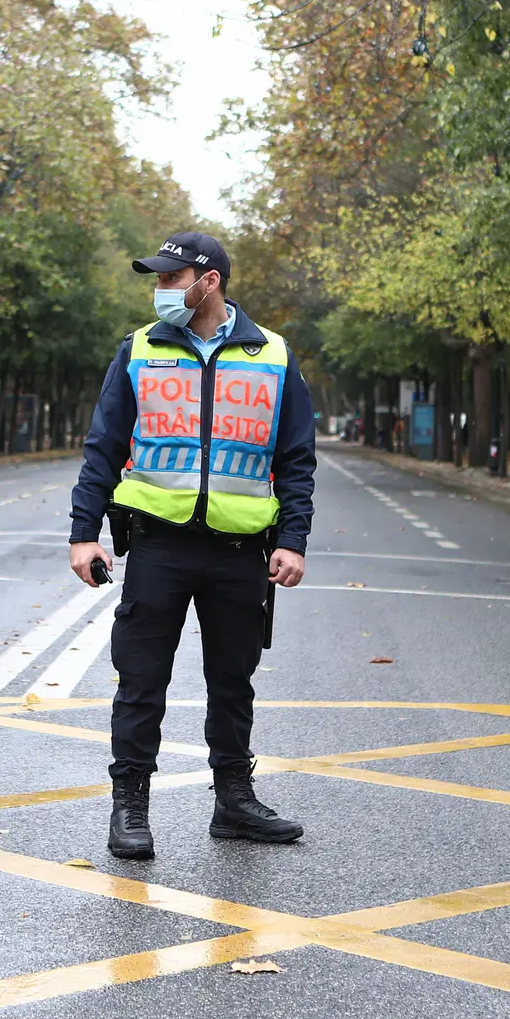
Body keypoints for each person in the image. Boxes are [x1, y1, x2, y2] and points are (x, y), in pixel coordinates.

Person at [68, 231, 317, 860]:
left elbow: (295, 459)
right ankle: (130, 807)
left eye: (171, 279)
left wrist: (292, 540)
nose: (161, 290)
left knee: (233, 680)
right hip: (158, 545)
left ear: (209, 282)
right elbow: (104, 446)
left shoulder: (273, 355)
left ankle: (234, 801)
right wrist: (83, 533)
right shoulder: (138, 350)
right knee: (141, 678)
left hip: (240, 550)